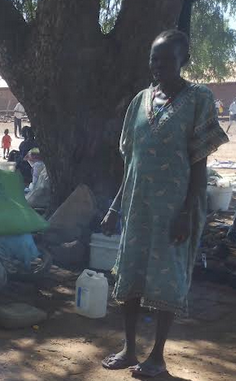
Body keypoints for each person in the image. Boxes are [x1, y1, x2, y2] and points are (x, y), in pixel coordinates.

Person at [100, 30, 228, 378]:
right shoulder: (139, 101)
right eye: (154, 59)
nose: (159, 66)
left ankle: (156, 356)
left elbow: (200, 164)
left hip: (175, 210)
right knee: (131, 275)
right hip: (138, 208)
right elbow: (133, 164)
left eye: (167, 59)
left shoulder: (198, 99)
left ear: (183, 60)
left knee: (167, 280)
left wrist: (188, 213)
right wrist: (114, 208)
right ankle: (129, 348)